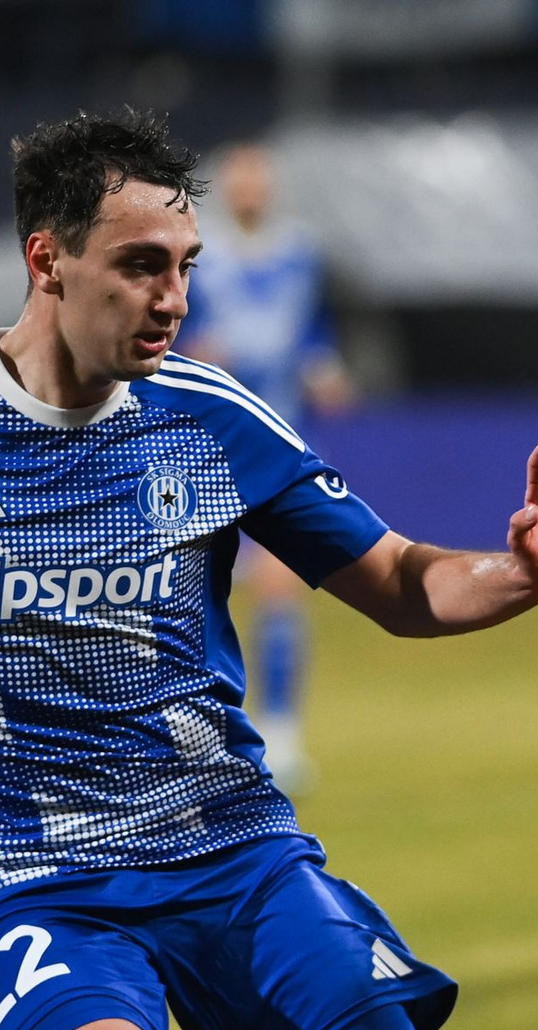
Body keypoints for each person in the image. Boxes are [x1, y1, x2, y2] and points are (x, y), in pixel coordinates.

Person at [0, 109, 538, 1030]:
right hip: (31, 877)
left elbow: (400, 581)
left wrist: (524, 574)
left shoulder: (210, 416)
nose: (172, 298)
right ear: (47, 260)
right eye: (139, 266)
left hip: (233, 852)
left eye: (184, 267)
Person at [176, 140, 358, 792]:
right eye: (240, 179)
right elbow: (171, 334)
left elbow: (314, 332)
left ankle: (281, 735)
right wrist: (195, 351)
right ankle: (198, 732)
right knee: (190, 590)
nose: (250, 190)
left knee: (280, 589)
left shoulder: (301, 255)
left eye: (259, 179)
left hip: (279, 441)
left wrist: (323, 365)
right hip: (203, 444)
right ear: (227, 188)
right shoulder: (197, 258)